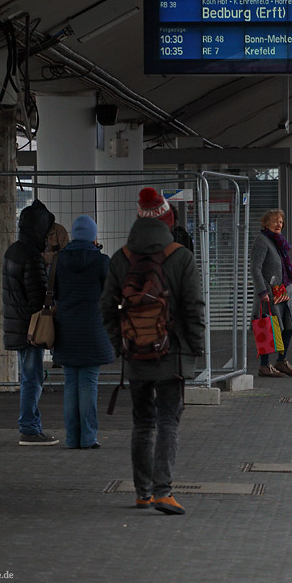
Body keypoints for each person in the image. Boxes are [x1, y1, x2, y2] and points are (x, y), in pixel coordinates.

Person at [100, 188, 205, 515]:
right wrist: (196, 348)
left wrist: (121, 344)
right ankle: (163, 492)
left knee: (142, 422)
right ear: (167, 220)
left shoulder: (121, 258)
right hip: (172, 355)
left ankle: (142, 493)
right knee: (168, 421)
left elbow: (106, 308)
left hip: (135, 353)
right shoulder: (181, 257)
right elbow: (193, 307)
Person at [53, 215, 114, 450]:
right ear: (93, 236)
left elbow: (55, 292)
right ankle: (88, 438)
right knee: (88, 383)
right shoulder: (101, 261)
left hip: (66, 328)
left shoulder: (60, 260)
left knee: (70, 384)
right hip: (92, 329)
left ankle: (71, 438)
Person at [2, 199, 58, 446]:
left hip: (17, 324)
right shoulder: (31, 256)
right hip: (30, 329)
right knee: (32, 380)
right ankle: (29, 429)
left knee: (29, 378)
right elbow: (38, 298)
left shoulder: (12, 250)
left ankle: (31, 426)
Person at [251, 209, 292, 378]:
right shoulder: (262, 240)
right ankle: (264, 365)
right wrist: (262, 291)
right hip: (269, 294)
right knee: (268, 327)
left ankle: (281, 361)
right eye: (274, 221)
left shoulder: (278, 241)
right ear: (266, 223)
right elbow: (255, 268)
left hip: (283, 292)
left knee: (289, 327)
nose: (278, 224)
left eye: (280, 221)